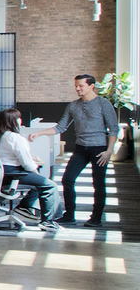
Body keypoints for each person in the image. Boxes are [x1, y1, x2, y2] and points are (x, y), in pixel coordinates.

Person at [56, 74, 120, 227]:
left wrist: (109, 151)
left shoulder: (103, 103)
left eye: (81, 86)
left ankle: (96, 219)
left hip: (99, 149)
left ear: (91, 86)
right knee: (67, 179)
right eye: (76, 86)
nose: (77, 89)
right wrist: (38, 133)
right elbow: (60, 127)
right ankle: (69, 215)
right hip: (80, 149)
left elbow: (114, 128)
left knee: (98, 183)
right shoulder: (73, 105)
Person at [0, 108, 60, 232]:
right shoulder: (15, 138)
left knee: (38, 183)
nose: (20, 120)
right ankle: (47, 222)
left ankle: (24, 207)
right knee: (50, 185)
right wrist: (39, 175)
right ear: (15, 121)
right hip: (13, 175)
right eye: (18, 118)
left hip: (2, 175)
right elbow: (27, 164)